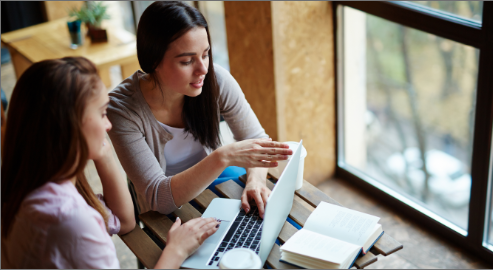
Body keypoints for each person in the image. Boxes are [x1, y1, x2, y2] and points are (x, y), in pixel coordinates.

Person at [1, 57, 220, 268]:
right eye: (101, 113)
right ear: (69, 126)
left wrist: (100, 149)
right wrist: (176, 251)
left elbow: (124, 221)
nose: (108, 125)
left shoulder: (27, 184)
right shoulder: (70, 220)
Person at [107, 1, 292, 219]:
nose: (203, 69)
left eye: (205, 54)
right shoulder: (122, 109)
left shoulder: (215, 79)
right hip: (165, 207)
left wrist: (256, 181)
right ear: (153, 60)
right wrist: (222, 157)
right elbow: (158, 197)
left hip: (215, 178)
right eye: (187, 61)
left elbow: (256, 138)